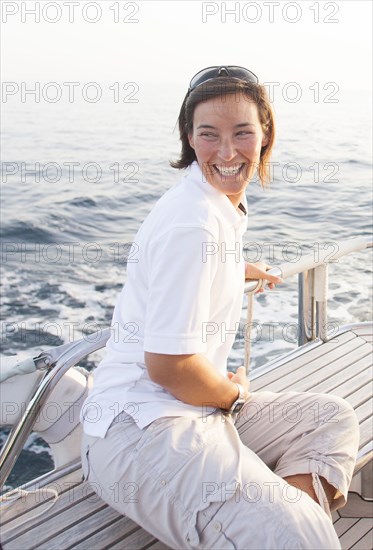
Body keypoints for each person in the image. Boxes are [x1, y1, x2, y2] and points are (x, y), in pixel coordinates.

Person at [80, 66, 359, 549]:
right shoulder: (194, 225)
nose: (227, 152)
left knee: (329, 419)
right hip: (137, 430)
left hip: (185, 411)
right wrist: (234, 398)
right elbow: (170, 368)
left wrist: (235, 267)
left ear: (265, 135)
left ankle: (269, 528)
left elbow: (192, 264)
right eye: (209, 135)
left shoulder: (213, 206)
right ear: (190, 138)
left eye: (242, 132)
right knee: (303, 534)